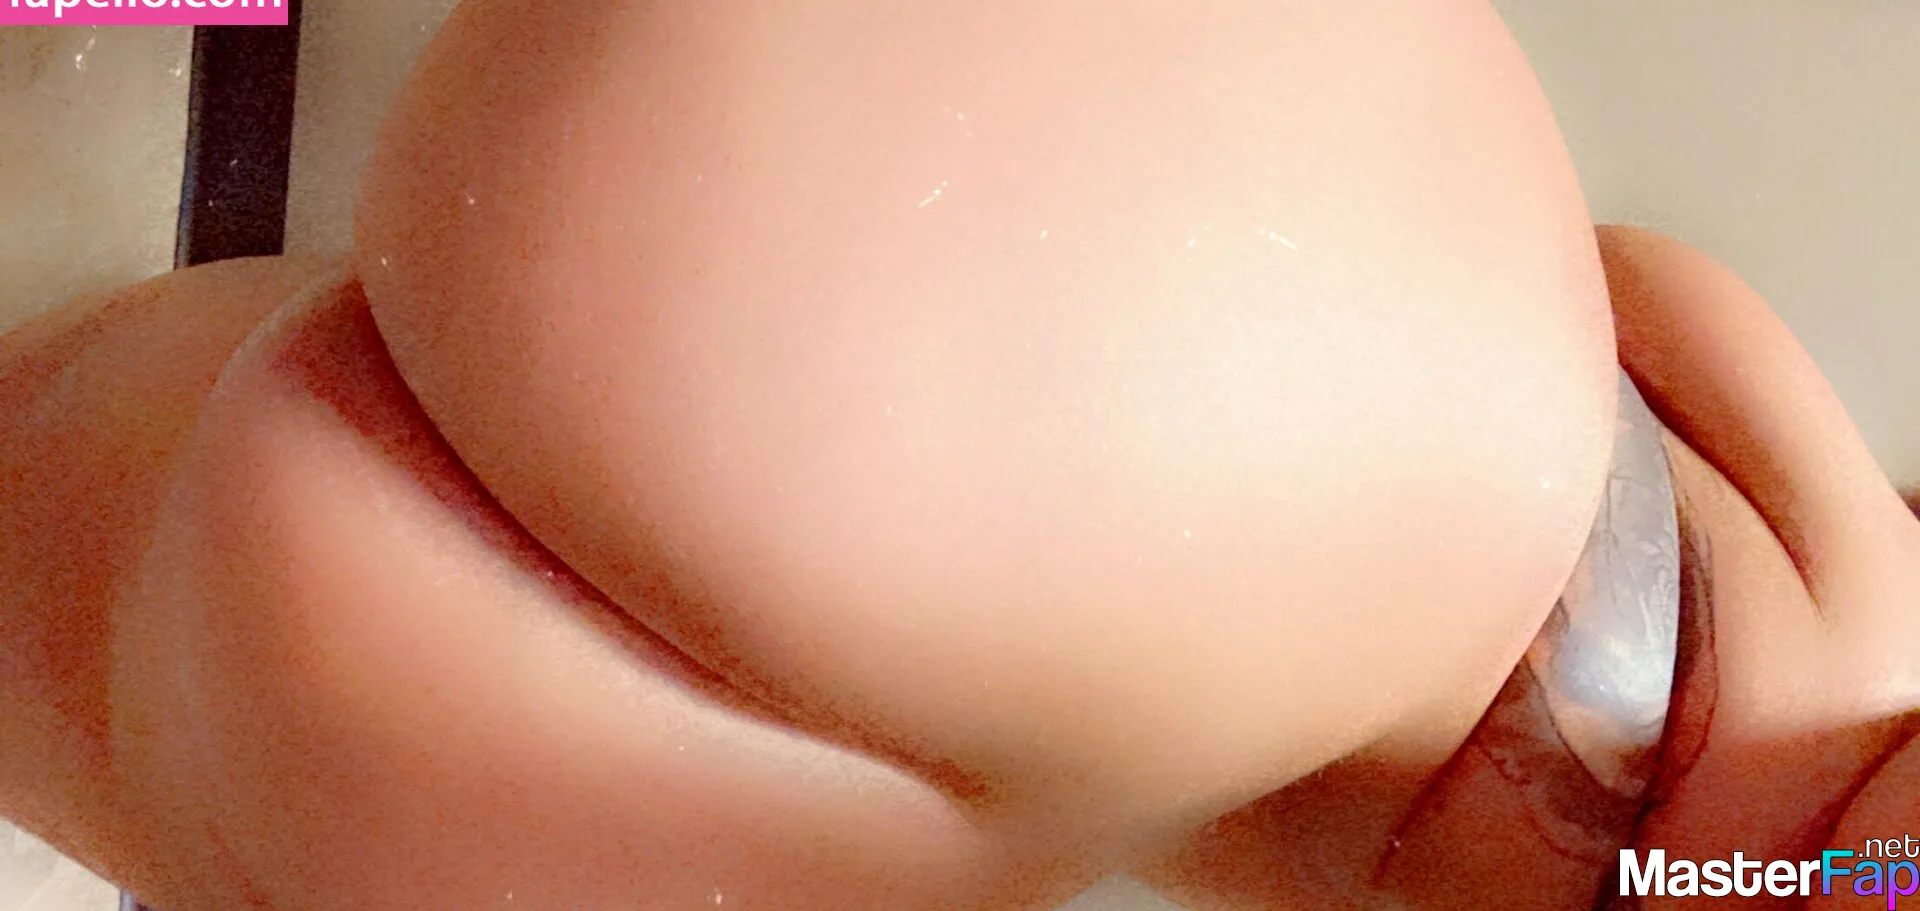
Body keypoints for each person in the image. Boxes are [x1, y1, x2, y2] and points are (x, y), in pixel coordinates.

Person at [3, 1, 1915, 908]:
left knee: (182, 440)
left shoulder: (1846, 574)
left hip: (1369, 227)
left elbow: (1655, 291)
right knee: (112, 570)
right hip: (1207, 579)